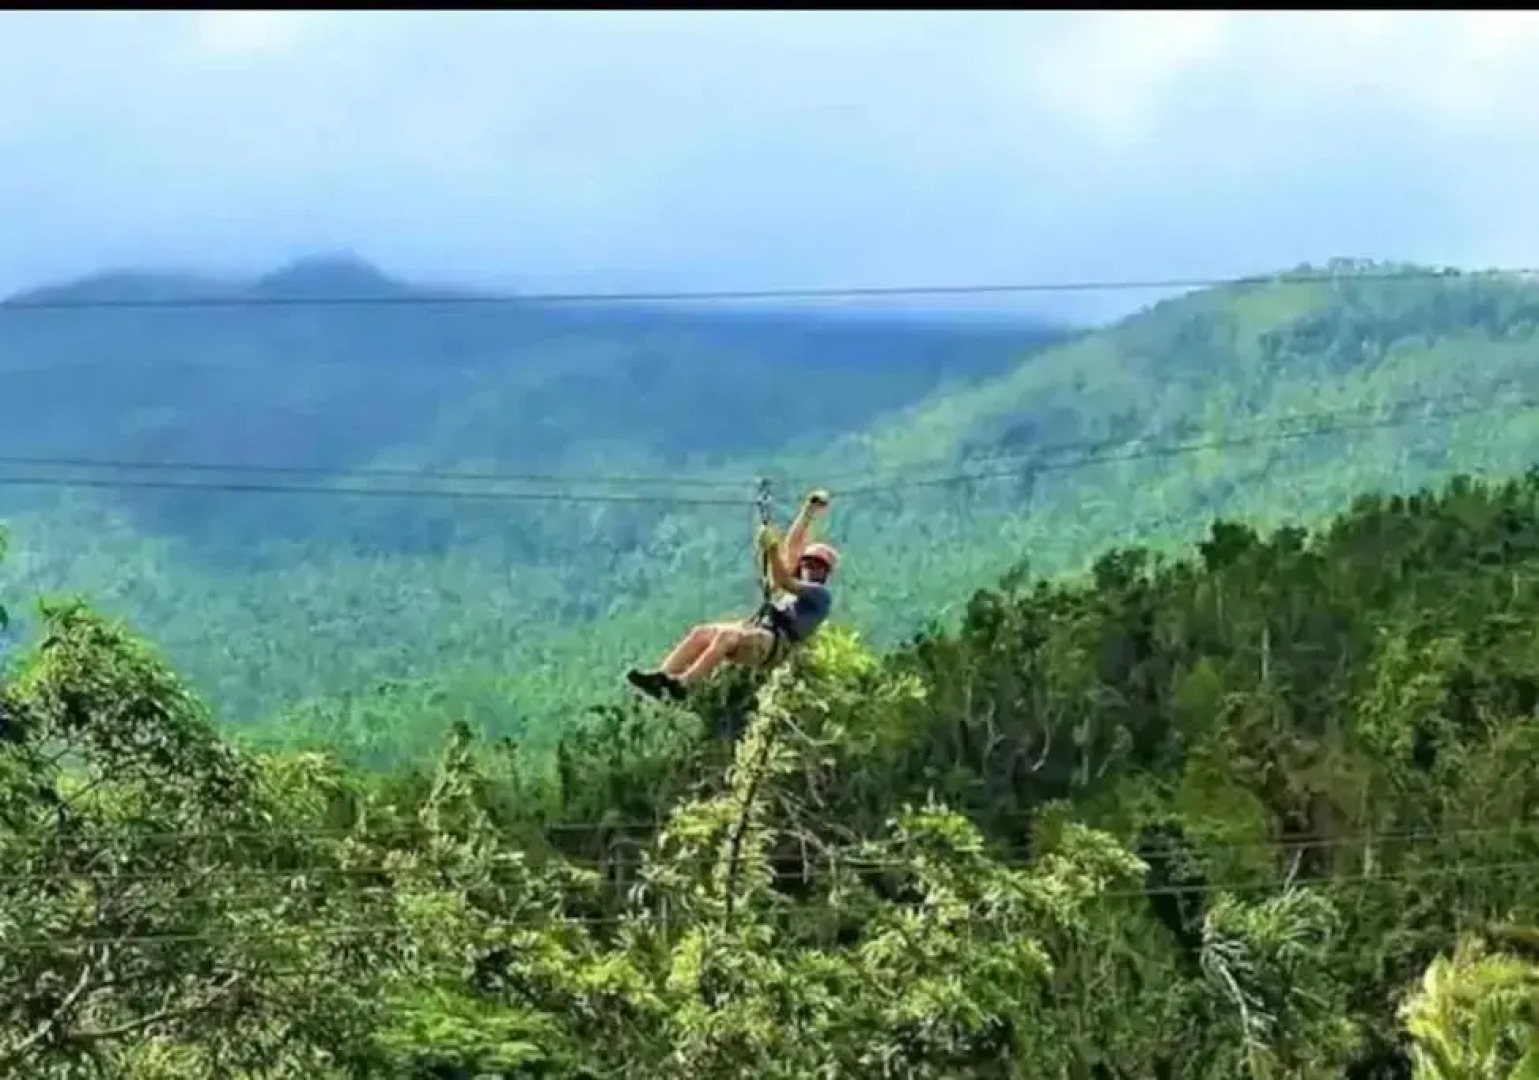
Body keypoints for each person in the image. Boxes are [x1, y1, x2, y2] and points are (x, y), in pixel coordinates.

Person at [626, 490, 838, 703]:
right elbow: (793, 545)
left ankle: (685, 683)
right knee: (701, 633)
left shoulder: (820, 596)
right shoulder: (800, 583)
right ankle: (662, 677)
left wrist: (772, 549)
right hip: (761, 632)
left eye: (819, 567)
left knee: (726, 637)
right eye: (808, 563)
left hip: (773, 644)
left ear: (826, 573)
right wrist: (808, 510)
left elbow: (783, 581)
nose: (812, 569)